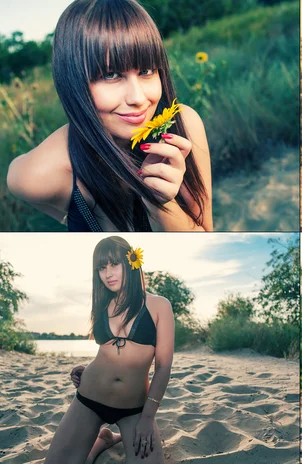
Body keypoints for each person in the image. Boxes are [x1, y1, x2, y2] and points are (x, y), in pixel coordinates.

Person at [7, 0, 212, 232]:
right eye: (111, 74)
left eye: (146, 71)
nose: (138, 98)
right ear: (72, 81)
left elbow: (206, 233)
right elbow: (16, 177)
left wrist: (160, 202)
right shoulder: (44, 174)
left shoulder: (184, 125)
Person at [45, 236, 174, 464]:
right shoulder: (103, 304)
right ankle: (99, 443)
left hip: (133, 408)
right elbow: (107, 352)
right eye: (101, 268)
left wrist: (147, 417)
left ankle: (103, 441)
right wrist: (86, 369)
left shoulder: (159, 305)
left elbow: (163, 366)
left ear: (131, 263)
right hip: (89, 398)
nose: (108, 274)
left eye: (114, 264)